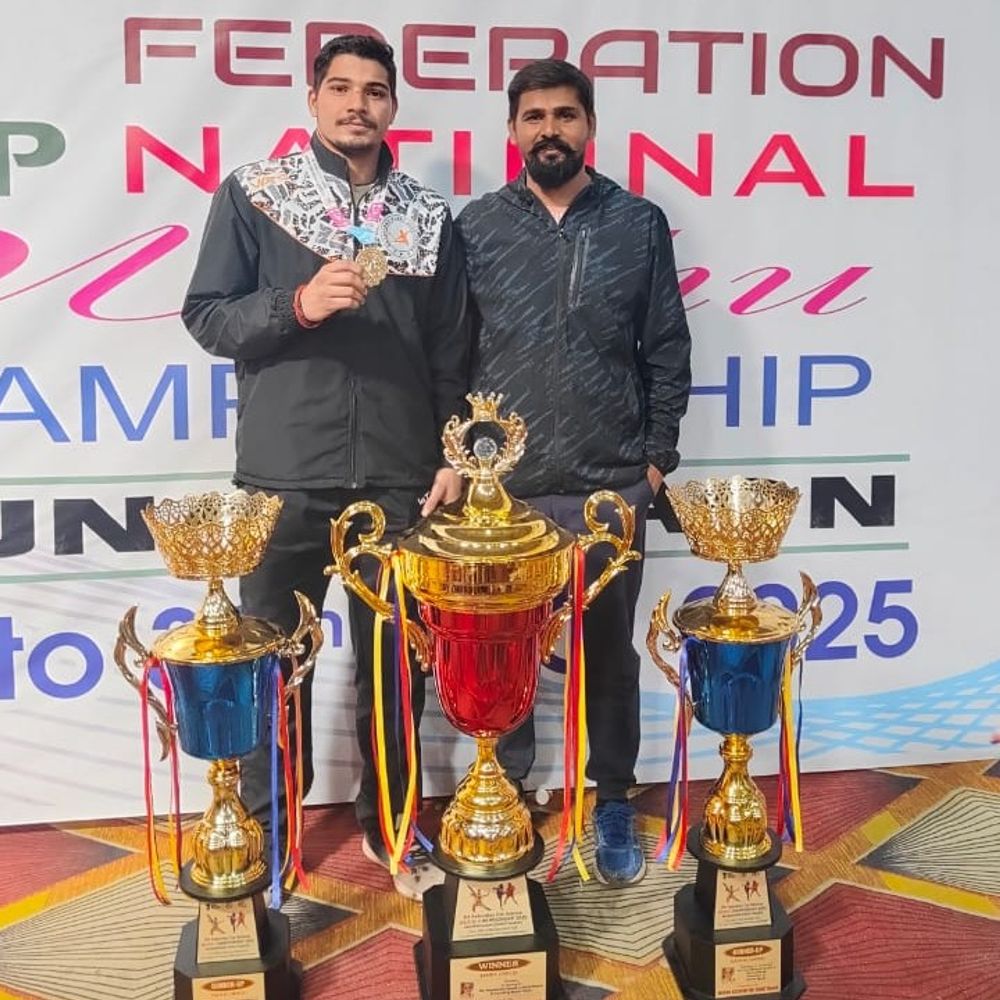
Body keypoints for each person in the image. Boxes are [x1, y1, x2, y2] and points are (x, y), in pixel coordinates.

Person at [181, 34, 469, 899]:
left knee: (396, 670)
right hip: (285, 475)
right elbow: (207, 315)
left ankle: (395, 830)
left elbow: (452, 348)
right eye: (340, 88)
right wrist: (296, 306)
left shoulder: (427, 215)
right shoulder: (255, 193)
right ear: (313, 100)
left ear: (393, 106)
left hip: (399, 481)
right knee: (276, 666)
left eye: (374, 91)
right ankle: (269, 837)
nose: (357, 105)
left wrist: (451, 451)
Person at [455, 59, 691, 886]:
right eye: (533, 117)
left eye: (564, 114)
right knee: (502, 657)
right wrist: (461, 464)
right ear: (512, 131)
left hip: (608, 488)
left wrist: (653, 462)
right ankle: (509, 789)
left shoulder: (637, 223)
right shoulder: (478, 226)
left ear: (589, 125)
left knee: (610, 655)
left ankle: (613, 794)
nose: (548, 129)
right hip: (503, 494)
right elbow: (453, 354)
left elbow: (667, 349)